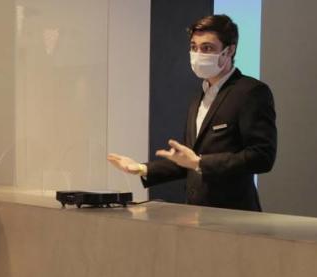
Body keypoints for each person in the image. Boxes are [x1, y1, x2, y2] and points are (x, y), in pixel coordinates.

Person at [108, 14, 277, 211]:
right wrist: (141, 168)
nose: (198, 54)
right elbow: (188, 160)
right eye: (194, 47)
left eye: (207, 48)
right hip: (196, 212)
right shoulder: (199, 95)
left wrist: (200, 162)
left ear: (229, 50)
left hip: (235, 214)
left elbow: (261, 156)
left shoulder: (251, 92)